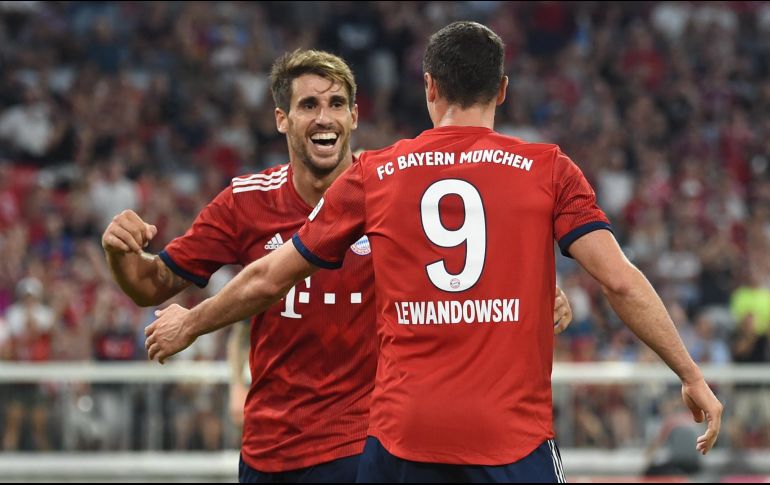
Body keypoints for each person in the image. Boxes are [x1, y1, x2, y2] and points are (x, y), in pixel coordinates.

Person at [144, 21, 724, 482]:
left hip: (403, 437)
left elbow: (272, 276)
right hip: (509, 437)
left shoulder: (377, 174)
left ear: (430, 88)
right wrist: (690, 373)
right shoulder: (548, 169)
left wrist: (191, 322)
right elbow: (619, 280)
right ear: (502, 89)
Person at [102, 49, 575, 482]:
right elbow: (151, 285)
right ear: (282, 119)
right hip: (269, 449)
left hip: (363, 445)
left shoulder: (393, 189)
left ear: (354, 116)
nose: (324, 117)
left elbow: (464, 265)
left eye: (336, 104)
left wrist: (534, 292)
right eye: (308, 105)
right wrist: (121, 254)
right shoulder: (244, 202)